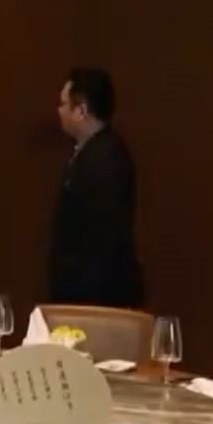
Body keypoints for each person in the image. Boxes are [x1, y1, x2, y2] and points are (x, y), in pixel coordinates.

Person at [47, 68, 144, 307]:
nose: (59, 111)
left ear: (81, 110)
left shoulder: (106, 160)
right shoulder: (93, 151)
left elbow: (101, 240)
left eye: (63, 104)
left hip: (96, 296)